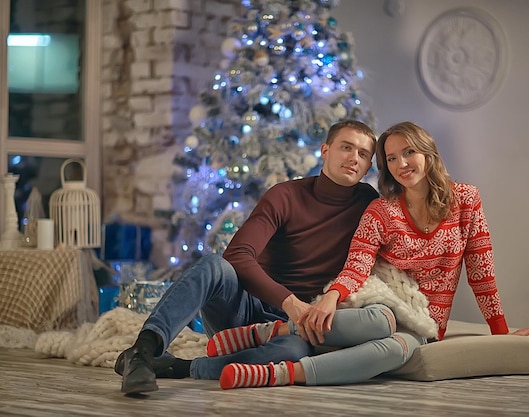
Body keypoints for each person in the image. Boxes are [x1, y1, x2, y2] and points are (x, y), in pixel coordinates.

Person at [213, 121, 529, 390]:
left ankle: (278, 364)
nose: (401, 164)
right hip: (382, 304)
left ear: (429, 154)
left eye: (408, 153)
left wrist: (501, 332)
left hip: (427, 321)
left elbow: (481, 272)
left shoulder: (466, 200)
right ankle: (273, 335)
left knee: (396, 348)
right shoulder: (380, 210)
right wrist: (332, 297)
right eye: (391, 159)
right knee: (382, 320)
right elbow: (358, 264)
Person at [116, 119, 379, 394]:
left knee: (292, 352)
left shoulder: (369, 205)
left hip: (292, 330)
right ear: (325, 151)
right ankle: (143, 351)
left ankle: (181, 367)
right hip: (245, 311)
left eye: (363, 154)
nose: (353, 158)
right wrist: (290, 302)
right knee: (214, 265)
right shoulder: (286, 195)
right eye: (346, 147)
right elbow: (238, 254)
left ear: (369, 166)